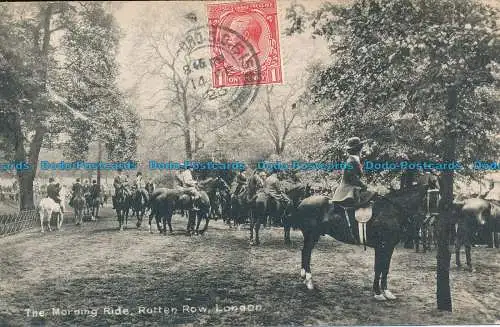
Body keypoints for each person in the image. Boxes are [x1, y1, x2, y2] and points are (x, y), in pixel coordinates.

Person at [330, 137, 374, 243]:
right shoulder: (351, 161)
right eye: (361, 148)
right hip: (348, 188)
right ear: (358, 149)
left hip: (353, 187)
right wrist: (364, 185)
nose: (362, 150)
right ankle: (354, 230)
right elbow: (352, 177)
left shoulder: (355, 160)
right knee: (364, 198)